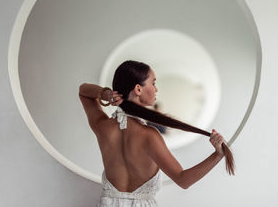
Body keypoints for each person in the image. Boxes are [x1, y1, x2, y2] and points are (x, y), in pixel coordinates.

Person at [79, 60, 234, 207]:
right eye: (153, 83)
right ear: (138, 89)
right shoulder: (149, 135)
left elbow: (84, 92)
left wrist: (105, 94)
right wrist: (217, 155)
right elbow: (183, 180)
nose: (156, 89)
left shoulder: (103, 127)